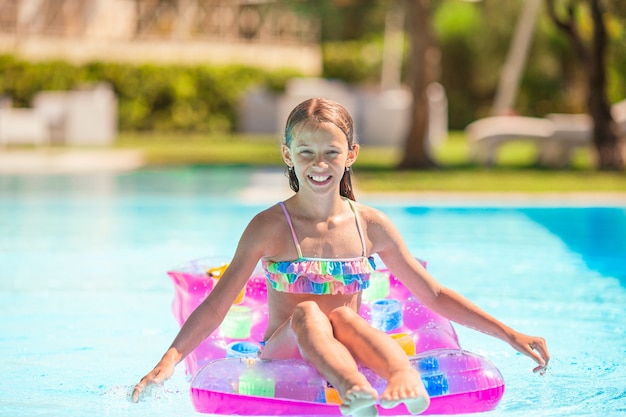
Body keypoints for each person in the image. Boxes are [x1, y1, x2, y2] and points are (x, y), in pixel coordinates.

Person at [132, 98, 550, 416]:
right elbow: (217, 305)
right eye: (306, 152)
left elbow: (434, 296)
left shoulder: (369, 225)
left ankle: (401, 374)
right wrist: (167, 362)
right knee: (311, 314)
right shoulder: (270, 226)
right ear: (287, 155)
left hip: (346, 341)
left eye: (331, 152)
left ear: (351, 154)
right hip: (284, 350)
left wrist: (511, 334)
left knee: (346, 318)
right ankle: (353, 390)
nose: (319, 164)